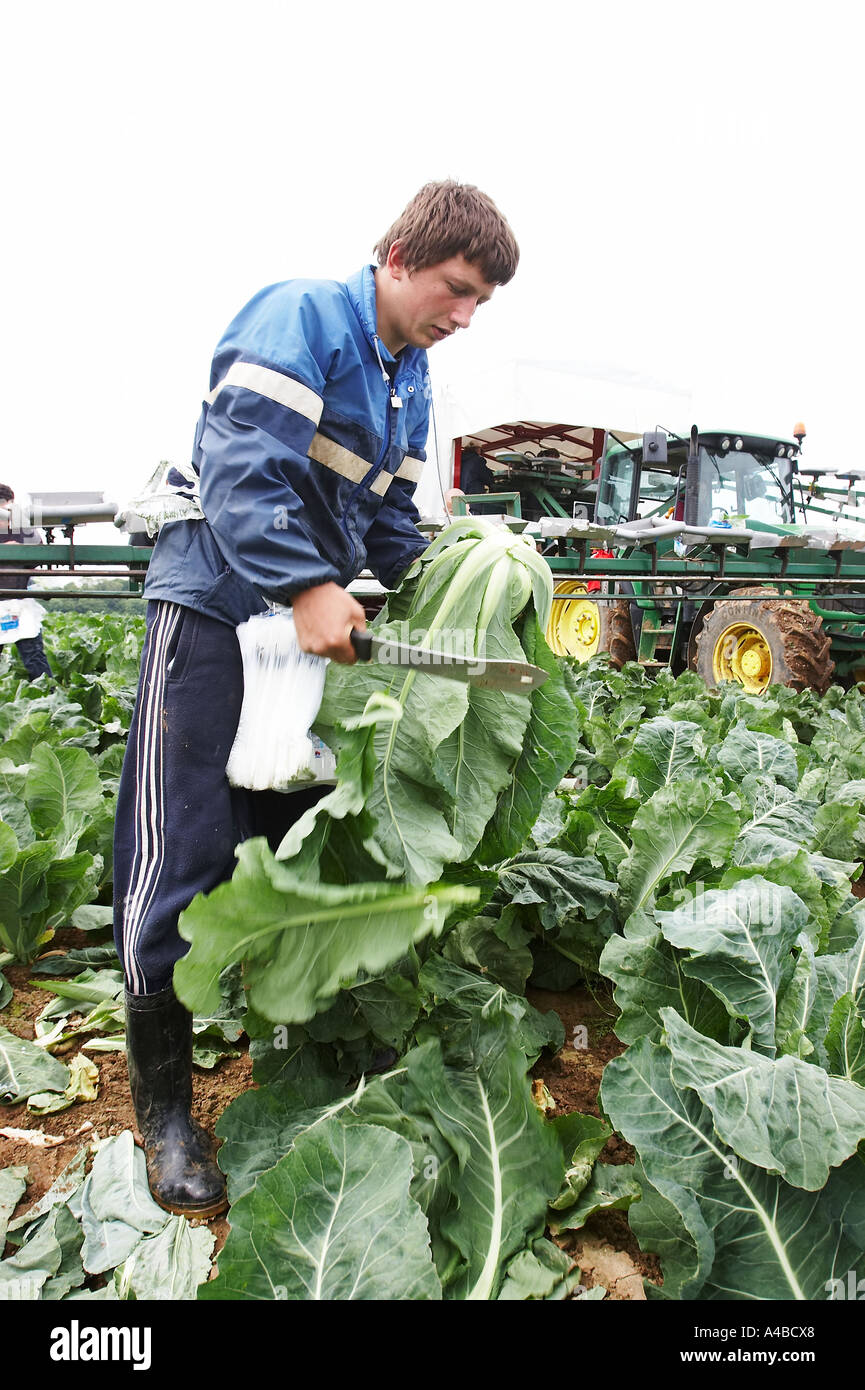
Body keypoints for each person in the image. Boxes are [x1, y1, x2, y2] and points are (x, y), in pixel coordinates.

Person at [113, 180, 520, 1217]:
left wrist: (449, 599)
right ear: (397, 255)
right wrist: (305, 585)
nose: (464, 316)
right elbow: (242, 466)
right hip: (213, 608)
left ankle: (281, 1033)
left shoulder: (410, 379)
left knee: (284, 835)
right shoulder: (303, 316)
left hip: (296, 641)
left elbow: (388, 528)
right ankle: (163, 1109)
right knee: (181, 848)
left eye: (480, 302)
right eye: (456, 288)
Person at [0, 484, 54, 682]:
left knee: (34, 659)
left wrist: (20, 547)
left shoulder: (21, 525)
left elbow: (38, 555)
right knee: (34, 657)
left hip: (18, 602)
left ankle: (47, 698)